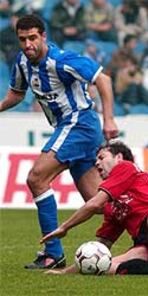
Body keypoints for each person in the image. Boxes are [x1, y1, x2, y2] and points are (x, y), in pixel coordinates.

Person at [0, 14, 119, 269]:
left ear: (43, 36)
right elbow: (17, 94)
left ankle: (53, 253)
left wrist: (109, 119)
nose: (28, 44)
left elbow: (103, 79)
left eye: (33, 38)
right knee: (99, 203)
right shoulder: (22, 61)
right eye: (23, 39)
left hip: (79, 123)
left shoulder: (62, 60)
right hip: (73, 129)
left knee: (36, 178)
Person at [40, 141, 148, 275]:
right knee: (109, 267)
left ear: (119, 157)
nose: (97, 163)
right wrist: (65, 272)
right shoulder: (113, 207)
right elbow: (102, 246)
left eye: (101, 157)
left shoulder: (126, 167)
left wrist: (64, 227)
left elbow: (94, 204)